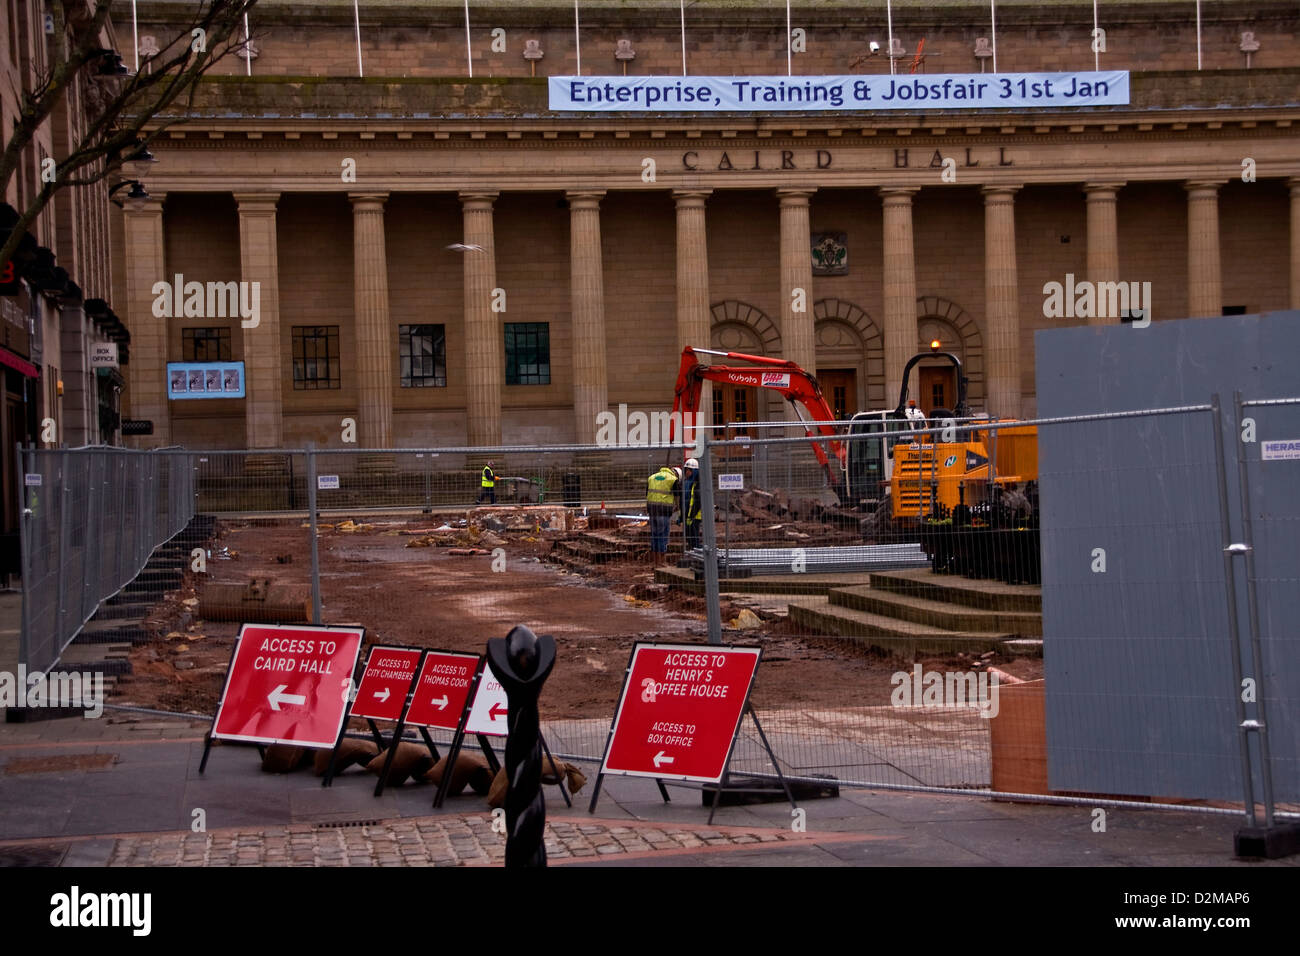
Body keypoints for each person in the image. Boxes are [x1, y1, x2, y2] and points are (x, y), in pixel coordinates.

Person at [646, 464, 681, 565]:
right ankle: (662, 561)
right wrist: (677, 508)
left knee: (654, 535)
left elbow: (647, 494)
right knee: (663, 535)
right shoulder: (673, 479)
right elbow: (677, 496)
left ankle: (655, 561)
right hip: (664, 511)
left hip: (652, 510)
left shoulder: (652, 477)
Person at [680, 457, 703, 560]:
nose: (687, 472)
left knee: (694, 537)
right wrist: (682, 515)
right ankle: (692, 555)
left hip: (695, 515)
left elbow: (697, 502)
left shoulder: (698, 483)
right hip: (688, 514)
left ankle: (697, 556)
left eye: (689, 470)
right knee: (689, 537)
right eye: (686, 470)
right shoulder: (686, 483)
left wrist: (691, 516)